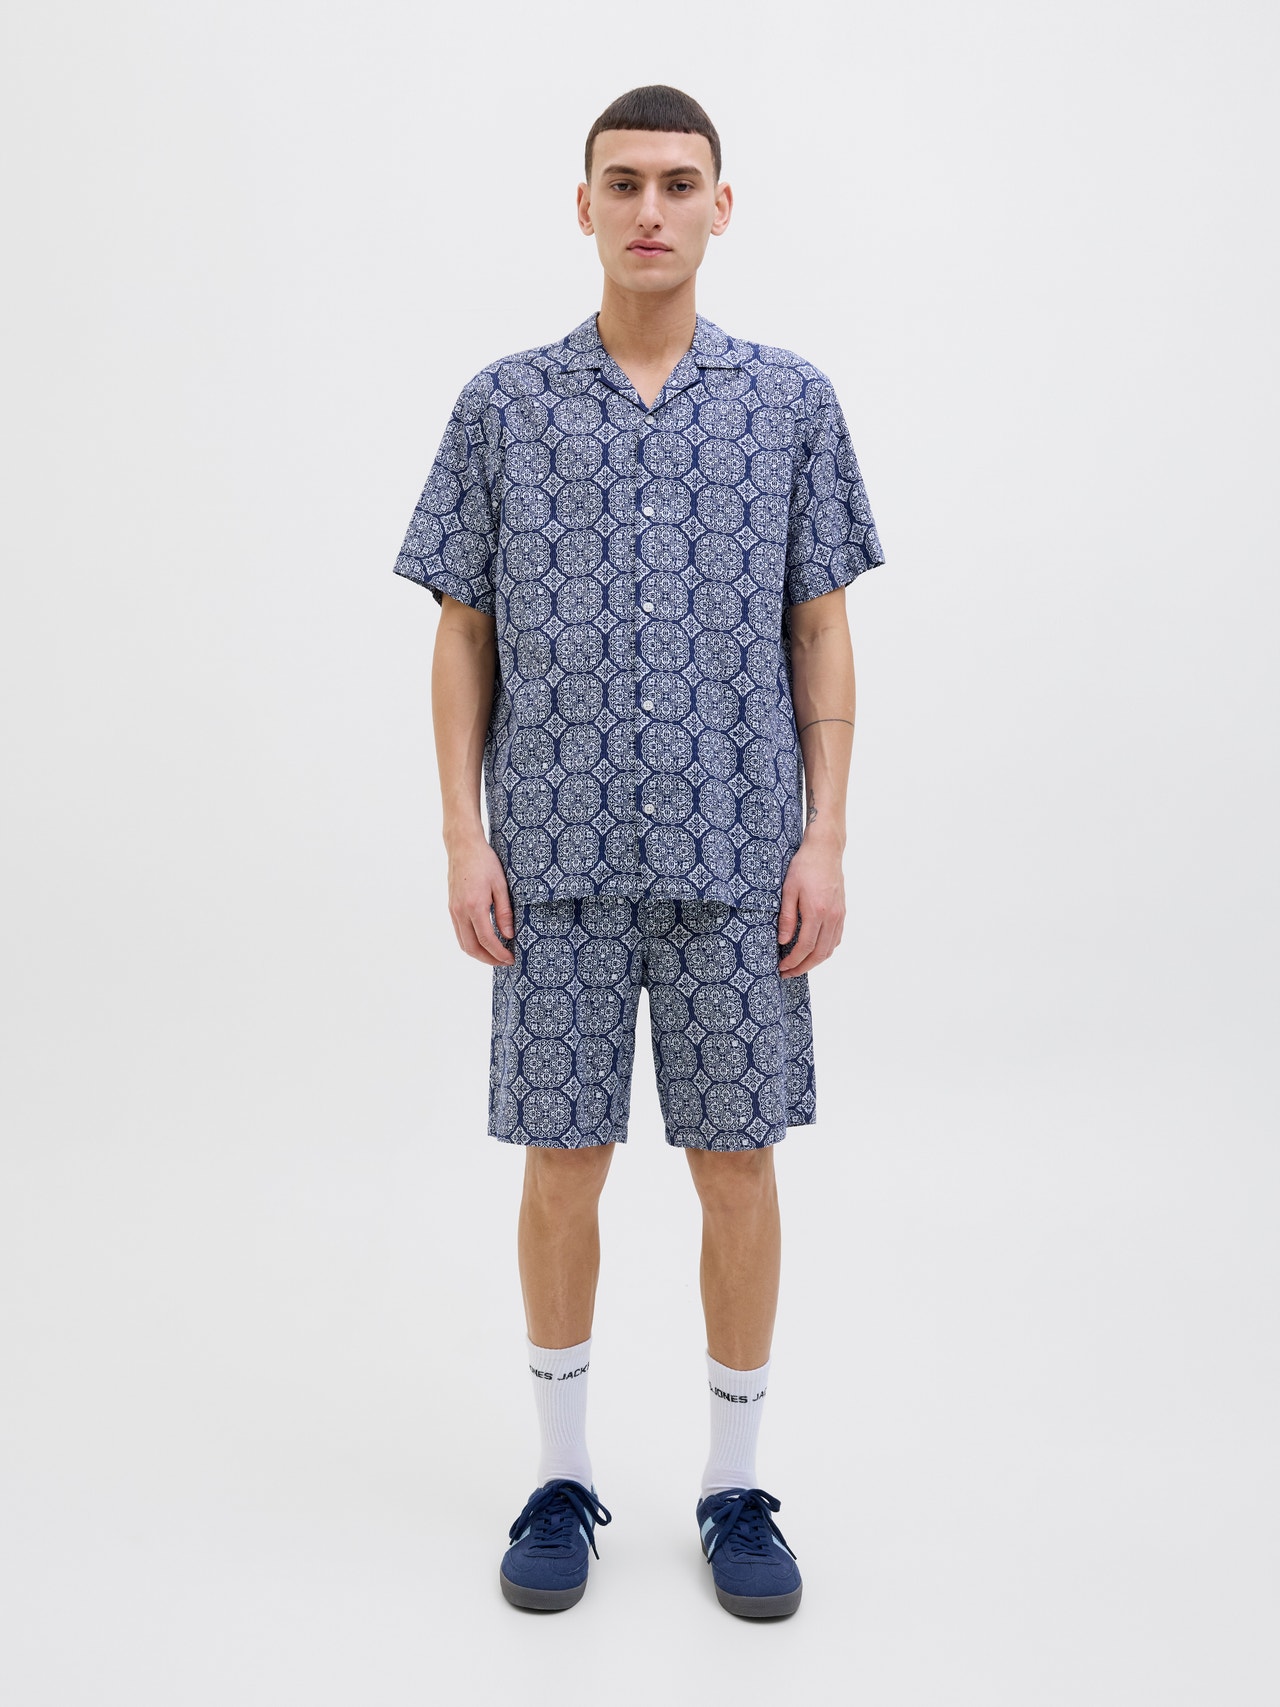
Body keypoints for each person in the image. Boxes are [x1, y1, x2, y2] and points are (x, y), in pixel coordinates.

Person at [391, 84, 887, 1618]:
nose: (652, 209)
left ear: (721, 207)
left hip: (740, 862)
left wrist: (825, 837)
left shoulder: (790, 404)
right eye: (625, 183)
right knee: (562, 1166)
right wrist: (464, 834)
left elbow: (822, 630)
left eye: (680, 182)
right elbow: (462, 632)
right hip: (555, 863)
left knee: (739, 1167)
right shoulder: (503, 408)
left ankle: (735, 1488)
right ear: (585, 205)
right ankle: (561, 1475)